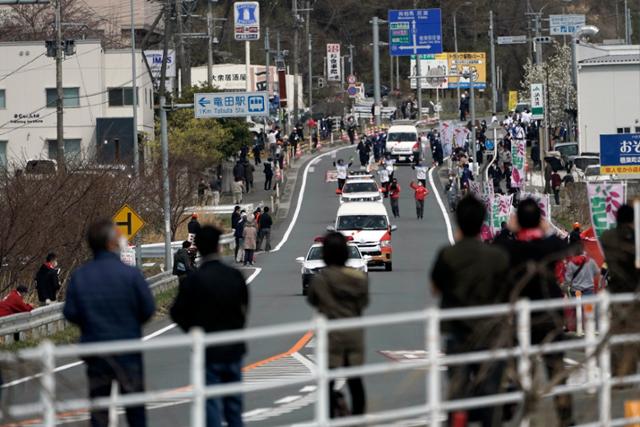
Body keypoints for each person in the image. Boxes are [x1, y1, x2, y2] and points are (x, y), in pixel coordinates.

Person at [64, 219, 155, 427]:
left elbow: (70, 313)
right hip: (128, 349)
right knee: (135, 410)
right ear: (111, 243)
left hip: (96, 351)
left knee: (99, 410)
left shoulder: (80, 276)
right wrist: (131, 324)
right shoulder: (130, 274)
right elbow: (148, 308)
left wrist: (89, 324)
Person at [431, 196, 509, 426]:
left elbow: (435, 288)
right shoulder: (497, 256)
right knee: (491, 391)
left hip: (457, 332)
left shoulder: (448, 254)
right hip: (491, 332)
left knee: (458, 391)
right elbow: (507, 290)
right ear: (482, 222)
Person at [495, 199, 574, 426]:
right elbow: (565, 246)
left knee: (515, 368)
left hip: (521, 318)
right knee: (557, 371)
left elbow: (495, 247)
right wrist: (546, 229)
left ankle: (510, 410)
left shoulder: (510, 248)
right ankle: (566, 418)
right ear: (539, 221)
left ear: (517, 221)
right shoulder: (549, 247)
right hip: (550, 315)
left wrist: (506, 230)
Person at [170, 226, 249, 427]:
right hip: (233, 345)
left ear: (199, 249)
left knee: (210, 402)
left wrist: (193, 329)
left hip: (207, 348)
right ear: (219, 247)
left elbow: (176, 312)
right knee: (233, 403)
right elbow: (244, 307)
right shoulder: (234, 275)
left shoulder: (193, 280)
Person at [307, 232, 368, 418]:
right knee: (355, 380)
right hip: (353, 333)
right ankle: (358, 417)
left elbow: (313, 301)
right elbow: (363, 303)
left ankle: (330, 417)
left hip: (331, 334)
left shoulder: (320, 279)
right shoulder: (359, 279)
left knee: (328, 380)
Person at [600, 204, 640, 377]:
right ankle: (630, 372)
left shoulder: (607, 237)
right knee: (634, 333)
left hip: (616, 293)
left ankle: (619, 374)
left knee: (617, 335)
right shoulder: (635, 238)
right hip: (635, 292)